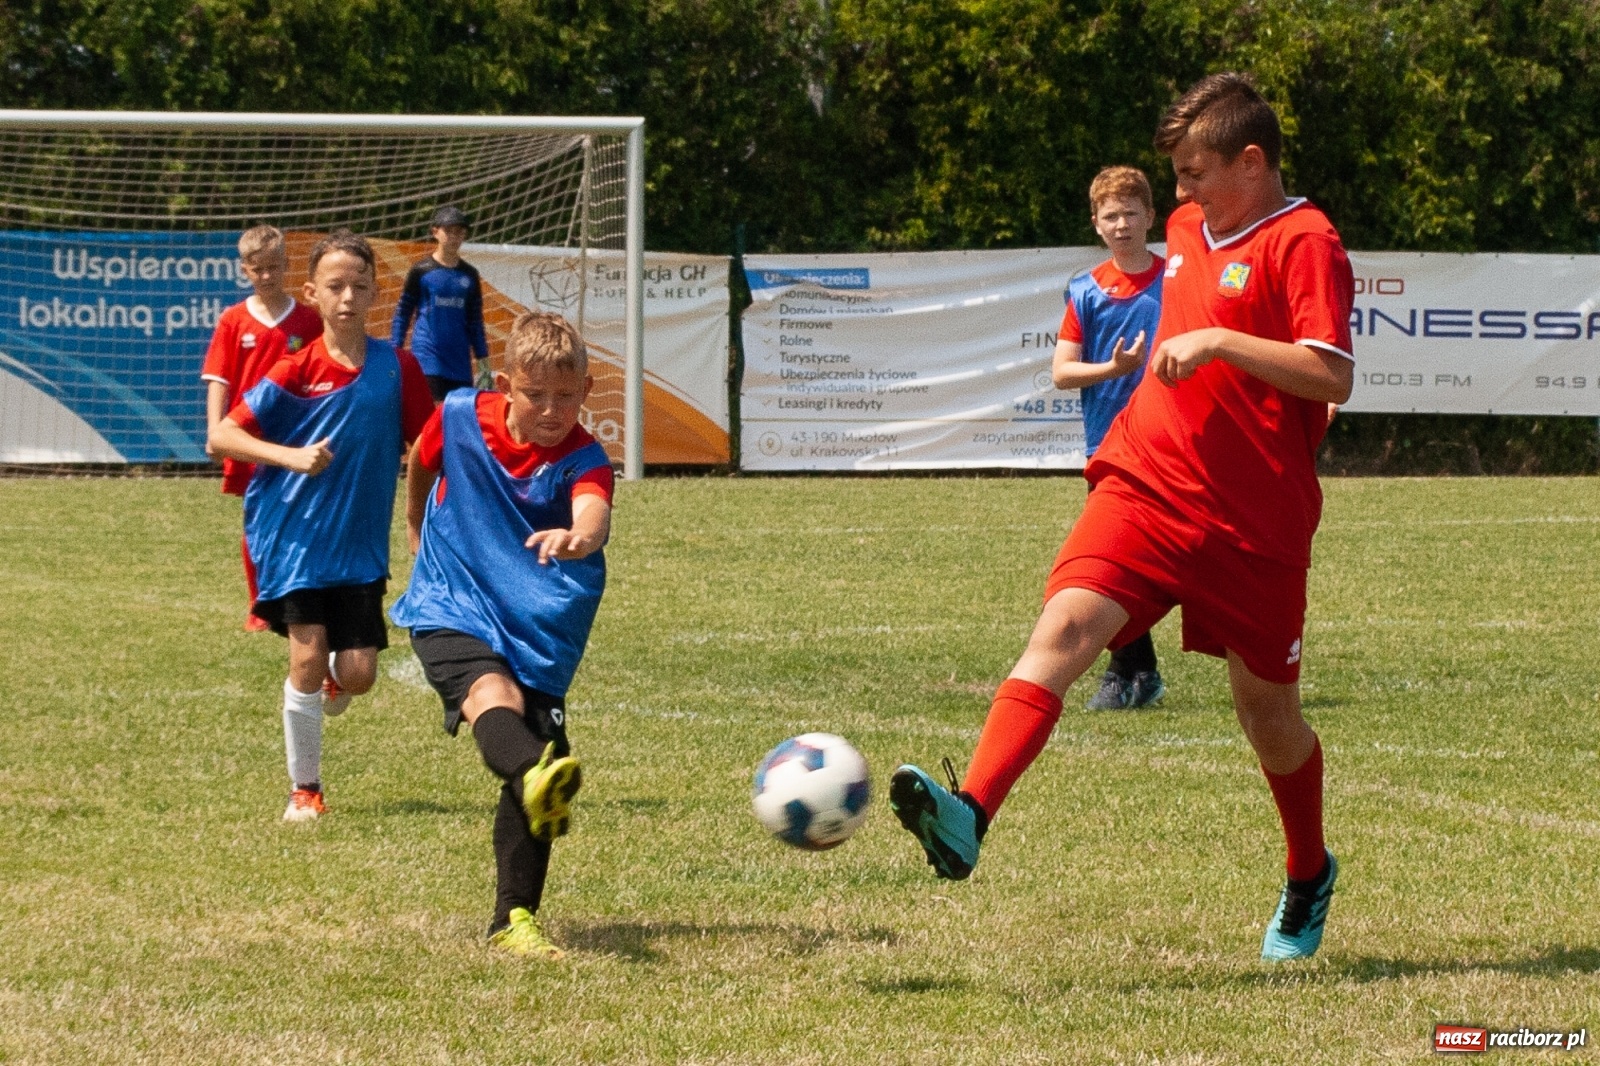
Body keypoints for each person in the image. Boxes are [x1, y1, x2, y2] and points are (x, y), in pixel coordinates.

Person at [890, 72, 1355, 962]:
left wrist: (1218, 342)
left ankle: (1307, 873)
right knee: (1063, 630)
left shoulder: (1306, 240)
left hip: (1255, 522)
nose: (1177, 195)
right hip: (1146, 480)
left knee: (1270, 720)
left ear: (1250, 163)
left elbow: (1330, 374)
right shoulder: (1188, 228)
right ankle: (971, 814)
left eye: (1192, 172)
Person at [390, 311, 613, 959]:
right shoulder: (460, 415)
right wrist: (412, 525)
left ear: (587, 389)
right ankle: (533, 773)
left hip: (538, 624)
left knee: (540, 768)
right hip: (449, 601)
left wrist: (578, 538)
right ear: (505, 384)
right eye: (535, 394)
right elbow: (421, 464)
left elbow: (593, 513)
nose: (551, 410)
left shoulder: (585, 458)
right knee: (493, 696)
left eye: (566, 397)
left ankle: (513, 921)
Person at [209, 230, 435, 822]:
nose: (347, 298)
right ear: (312, 293)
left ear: (374, 294)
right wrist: (292, 456)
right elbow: (223, 435)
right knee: (307, 655)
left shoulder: (397, 367)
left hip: (358, 546)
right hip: (295, 537)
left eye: (360, 286)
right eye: (335, 286)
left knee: (358, 674)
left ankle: (336, 683)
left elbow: (431, 444)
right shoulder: (296, 368)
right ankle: (304, 791)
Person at [1053, 166, 1167, 710]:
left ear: (1150, 217)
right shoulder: (1085, 290)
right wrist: (1114, 368)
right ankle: (1132, 671)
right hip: (1110, 449)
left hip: (1173, 445)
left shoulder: (1176, 281)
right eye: (1110, 215)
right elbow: (1062, 372)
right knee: (1112, 562)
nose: (1121, 224)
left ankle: (1134, 672)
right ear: (1096, 225)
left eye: (1130, 213)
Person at [200, 225, 324, 631]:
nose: (266, 276)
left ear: (287, 265)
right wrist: (215, 429)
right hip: (247, 437)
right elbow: (218, 378)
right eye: (257, 269)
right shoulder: (233, 320)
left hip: (296, 436)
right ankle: (259, 606)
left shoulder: (308, 320)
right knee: (255, 518)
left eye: (273, 267)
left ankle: (297, 594)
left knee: (300, 517)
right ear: (245, 270)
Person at [391, 206, 490, 401]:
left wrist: (483, 361)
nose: (454, 236)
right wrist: (396, 349)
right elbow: (403, 313)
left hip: (460, 362)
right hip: (427, 359)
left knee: (455, 416)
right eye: (449, 230)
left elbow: (475, 321)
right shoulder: (421, 270)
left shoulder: (470, 275)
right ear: (435, 232)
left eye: (459, 231)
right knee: (431, 416)